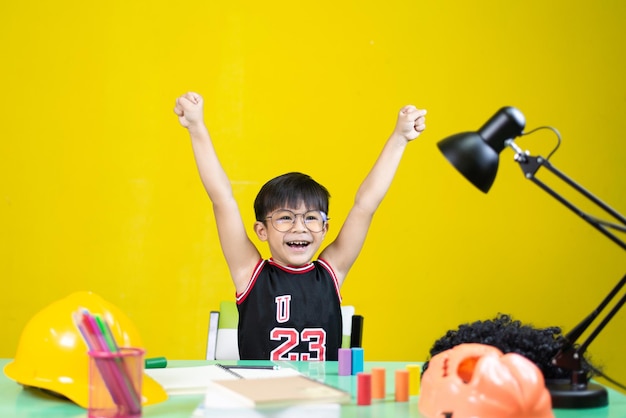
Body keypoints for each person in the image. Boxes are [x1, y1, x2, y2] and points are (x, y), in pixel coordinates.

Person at [174, 92, 426, 360]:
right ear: (262, 231)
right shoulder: (250, 273)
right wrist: (196, 127)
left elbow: (365, 205)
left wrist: (400, 138)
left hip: (322, 398)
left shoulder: (332, 271)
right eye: (285, 217)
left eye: (311, 217)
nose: (300, 227)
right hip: (262, 398)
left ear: (325, 228)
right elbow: (222, 199)